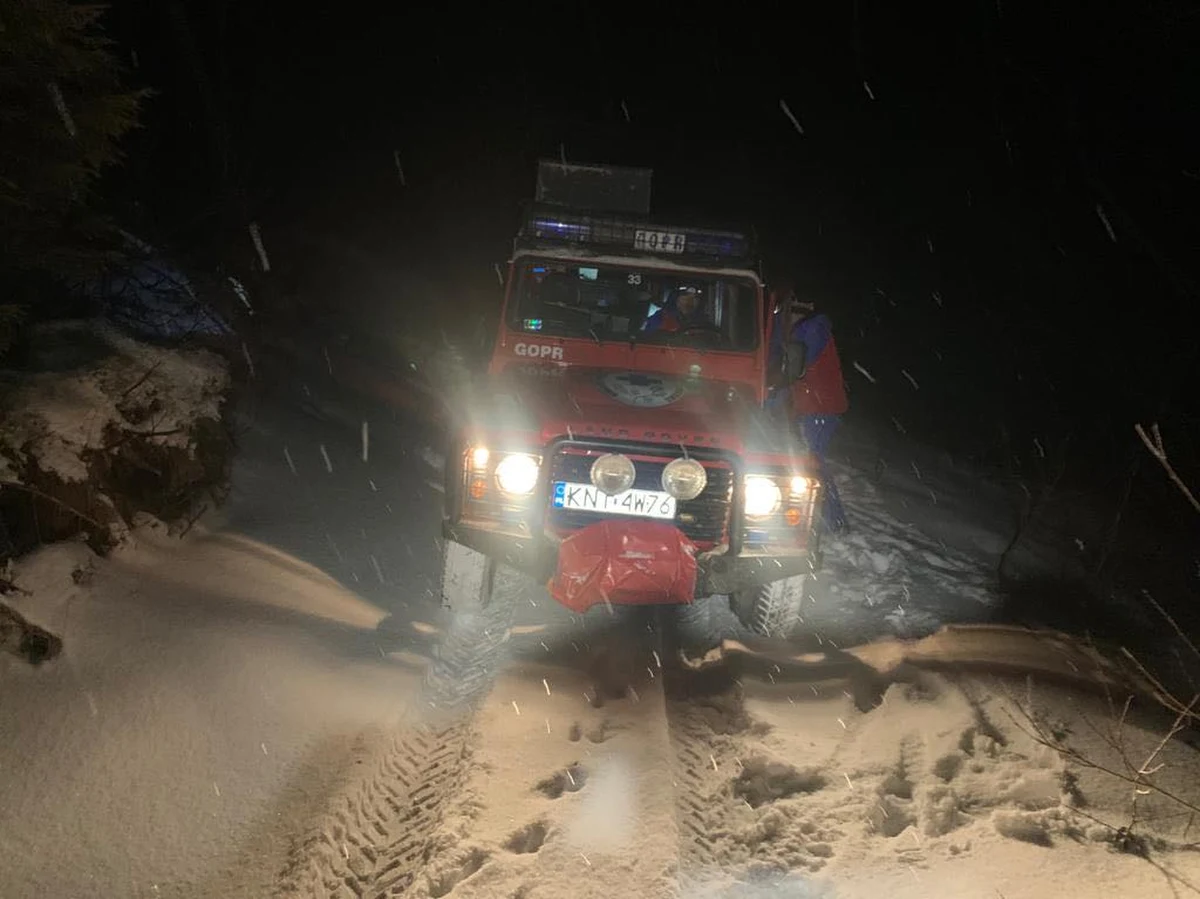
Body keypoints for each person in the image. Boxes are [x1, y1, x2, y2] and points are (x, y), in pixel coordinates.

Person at [768, 284, 849, 533]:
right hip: (811, 405)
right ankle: (823, 520)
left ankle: (832, 523)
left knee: (812, 463)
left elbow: (790, 369)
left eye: (791, 306)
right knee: (808, 461)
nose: (787, 312)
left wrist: (769, 398)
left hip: (820, 408)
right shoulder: (798, 329)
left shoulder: (812, 329)